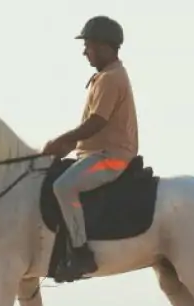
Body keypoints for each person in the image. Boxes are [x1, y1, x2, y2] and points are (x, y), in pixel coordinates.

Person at [42, 15, 139, 279]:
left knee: (63, 186)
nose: (85, 52)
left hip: (112, 158)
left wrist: (62, 140)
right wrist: (70, 146)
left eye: (90, 46)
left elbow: (97, 122)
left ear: (106, 47)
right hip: (97, 153)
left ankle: (80, 253)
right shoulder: (105, 76)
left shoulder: (110, 79)